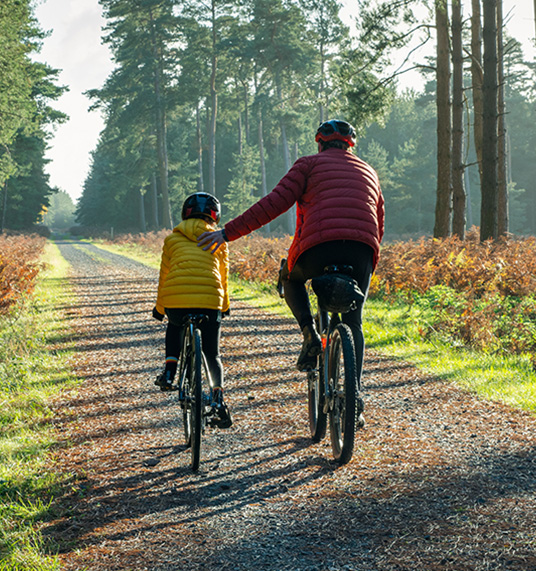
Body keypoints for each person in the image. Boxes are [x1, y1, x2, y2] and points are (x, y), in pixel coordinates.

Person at [198, 119, 384, 395]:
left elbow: (273, 203)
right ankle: (354, 394)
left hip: (318, 248)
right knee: (354, 322)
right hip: (362, 250)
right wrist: (368, 260)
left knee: (290, 276)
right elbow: (379, 221)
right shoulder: (369, 171)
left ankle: (309, 332)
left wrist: (227, 233)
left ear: (319, 143)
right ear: (350, 146)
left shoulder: (308, 164)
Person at [152, 192, 232, 428]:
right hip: (210, 302)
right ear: (214, 215)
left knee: (174, 325)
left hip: (176, 300)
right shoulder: (219, 239)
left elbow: (164, 276)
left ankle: (169, 371)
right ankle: (218, 398)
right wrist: (224, 306)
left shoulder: (171, 240)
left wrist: (160, 309)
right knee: (212, 354)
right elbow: (224, 277)